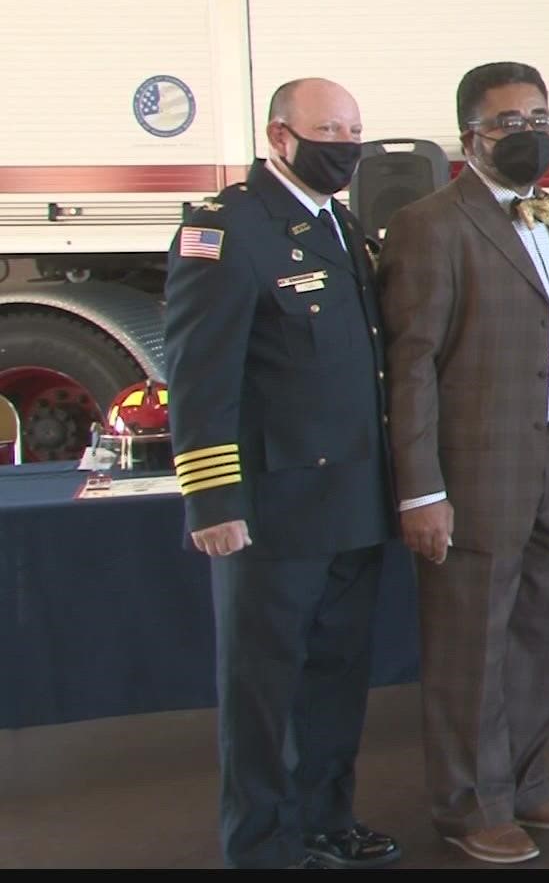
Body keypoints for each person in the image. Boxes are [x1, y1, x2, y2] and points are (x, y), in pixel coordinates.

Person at [380, 61, 549, 864]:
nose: (530, 133)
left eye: (541, 117)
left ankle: (524, 781)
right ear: (469, 137)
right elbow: (412, 366)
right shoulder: (430, 224)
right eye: (510, 122)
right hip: (475, 465)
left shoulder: (548, 217)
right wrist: (421, 490)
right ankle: (468, 804)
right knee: (471, 639)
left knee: (548, 626)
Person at [163, 77, 400, 868]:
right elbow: (201, 377)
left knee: (335, 679)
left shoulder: (343, 227)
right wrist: (211, 500)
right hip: (273, 511)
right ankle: (262, 843)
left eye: (355, 128)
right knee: (264, 692)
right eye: (329, 128)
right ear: (280, 137)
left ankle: (327, 820)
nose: (347, 143)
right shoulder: (228, 230)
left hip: (353, 501)